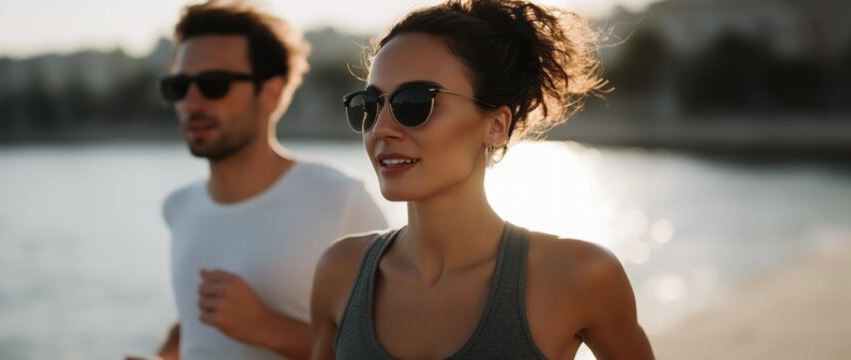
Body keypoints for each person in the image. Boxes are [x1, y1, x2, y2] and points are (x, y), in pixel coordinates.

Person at [310, 1, 654, 359]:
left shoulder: (578, 275)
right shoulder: (341, 271)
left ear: (496, 126)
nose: (381, 129)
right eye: (369, 105)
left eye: (413, 103)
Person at [149, 1, 389, 359]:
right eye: (179, 86)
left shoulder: (339, 200)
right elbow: (200, 327)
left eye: (214, 84)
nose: (191, 102)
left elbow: (390, 347)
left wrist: (266, 327)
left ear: (272, 92)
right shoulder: (178, 207)